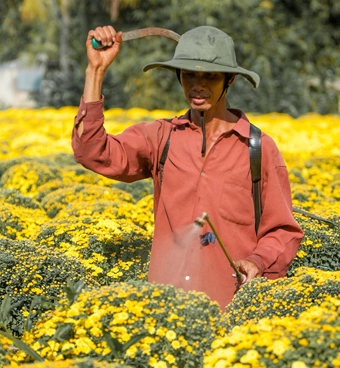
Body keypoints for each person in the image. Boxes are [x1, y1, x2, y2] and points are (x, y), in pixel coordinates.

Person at [72, 25, 303, 309]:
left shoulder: (258, 148)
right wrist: (95, 71)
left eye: (210, 76)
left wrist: (258, 262)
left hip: (232, 311)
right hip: (166, 311)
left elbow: (283, 231)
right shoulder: (161, 137)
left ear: (229, 79)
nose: (197, 85)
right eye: (189, 74)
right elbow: (91, 151)